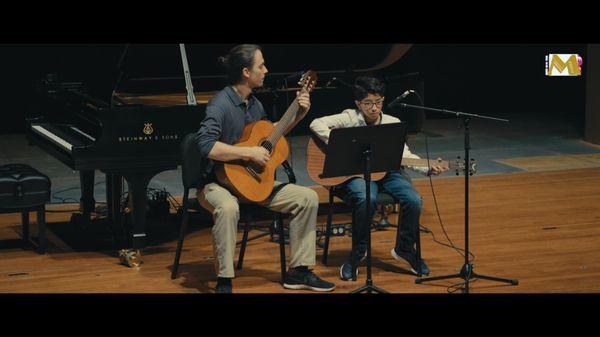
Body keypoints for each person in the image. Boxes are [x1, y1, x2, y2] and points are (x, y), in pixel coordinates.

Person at [195, 44, 336, 293]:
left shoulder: (255, 105)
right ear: (246, 72)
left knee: (307, 198)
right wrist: (248, 152)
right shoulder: (220, 105)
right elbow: (205, 145)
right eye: (261, 65)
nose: (266, 70)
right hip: (217, 184)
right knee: (227, 208)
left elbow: (271, 138)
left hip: (254, 185)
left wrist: (300, 114)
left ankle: (299, 271)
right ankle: (224, 280)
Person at [309, 76, 448, 281]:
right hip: (358, 173)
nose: (374, 108)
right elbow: (315, 123)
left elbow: (405, 155)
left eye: (378, 102)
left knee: (413, 200)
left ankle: (405, 249)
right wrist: (342, 144)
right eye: (368, 103)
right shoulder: (349, 117)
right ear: (358, 104)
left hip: (389, 173)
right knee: (367, 199)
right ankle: (358, 252)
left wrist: (428, 168)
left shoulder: (393, 123)